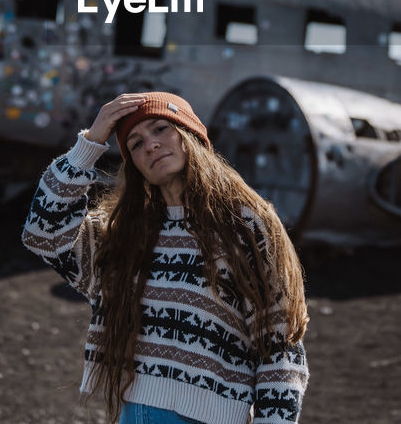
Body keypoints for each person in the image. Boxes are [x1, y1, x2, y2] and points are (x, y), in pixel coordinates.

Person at [22, 92, 309, 424]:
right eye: (135, 143)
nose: (151, 145)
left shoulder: (245, 224)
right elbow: (42, 234)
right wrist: (90, 143)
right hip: (136, 412)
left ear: (189, 134)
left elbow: (279, 339)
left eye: (161, 129)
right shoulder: (124, 234)